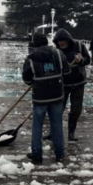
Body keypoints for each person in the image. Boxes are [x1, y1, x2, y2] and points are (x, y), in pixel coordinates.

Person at [22, 33, 71, 164]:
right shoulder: (58, 54)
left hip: (40, 98)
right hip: (57, 96)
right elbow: (67, 71)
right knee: (57, 124)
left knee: (37, 126)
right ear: (46, 42)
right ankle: (59, 155)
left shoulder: (31, 59)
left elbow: (26, 80)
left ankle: (37, 155)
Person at [53, 29, 91, 142]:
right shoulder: (56, 51)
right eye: (59, 41)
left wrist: (81, 60)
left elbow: (88, 59)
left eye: (63, 41)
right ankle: (53, 131)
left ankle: (71, 132)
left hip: (78, 83)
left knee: (76, 110)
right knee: (58, 109)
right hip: (63, 84)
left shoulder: (79, 46)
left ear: (68, 40)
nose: (61, 43)